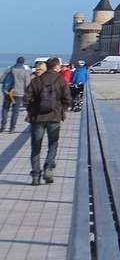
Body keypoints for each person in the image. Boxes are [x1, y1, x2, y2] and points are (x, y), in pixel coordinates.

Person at [23, 57, 71, 186]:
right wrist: (61, 110)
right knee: (53, 144)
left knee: (36, 147)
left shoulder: (36, 80)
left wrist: (32, 110)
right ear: (56, 66)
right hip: (54, 118)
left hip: (38, 118)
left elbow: (26, 98)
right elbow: (67, 99)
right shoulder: (60, 80)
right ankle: (48, 168)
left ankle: (36, 175)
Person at [1, 57, 32, 133]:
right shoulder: (25, 72)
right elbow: (27, 84)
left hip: (8, 92)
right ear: (23, 63)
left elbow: (2, 79)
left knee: (5, 108)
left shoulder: (10, 69)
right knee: (15, 110)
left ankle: (3, 125)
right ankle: (12, 128)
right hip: (19, 93)